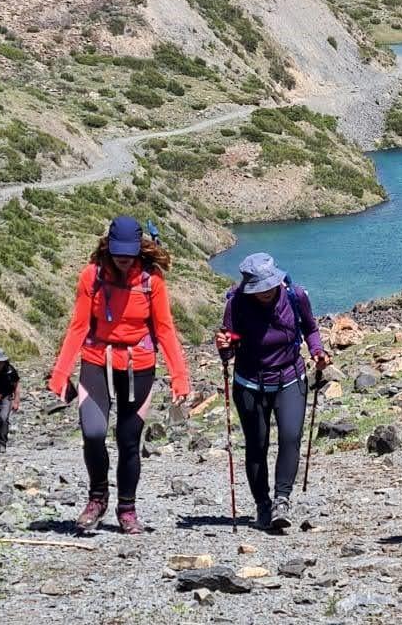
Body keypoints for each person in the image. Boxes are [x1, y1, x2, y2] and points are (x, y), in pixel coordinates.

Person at [49, 216, 191, 535]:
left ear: (138, 248)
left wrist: (179, 377)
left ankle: (127, 509)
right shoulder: (92, 276)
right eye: (118, 252)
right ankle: (97, 498)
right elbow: (78, 326)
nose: (124, 259)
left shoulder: (151, 280)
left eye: (129, 252)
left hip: (137, 364)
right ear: (109, 247)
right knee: (94, 432)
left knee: (129, 441)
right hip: (97, 359)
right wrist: (61, 372)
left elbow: (165, 329)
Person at [214, 251, 329, 532]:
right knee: (257, 444)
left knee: (290, 437)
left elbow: (310, 328)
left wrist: (318, 351)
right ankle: (262, 504)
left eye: (269, 286)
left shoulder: (295, 296)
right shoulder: (237, 304)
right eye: (259, 288)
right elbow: (229, 349)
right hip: (250, 382)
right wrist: (223, 347)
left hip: (290, 376)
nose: (265, 292)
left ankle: (281, 500)